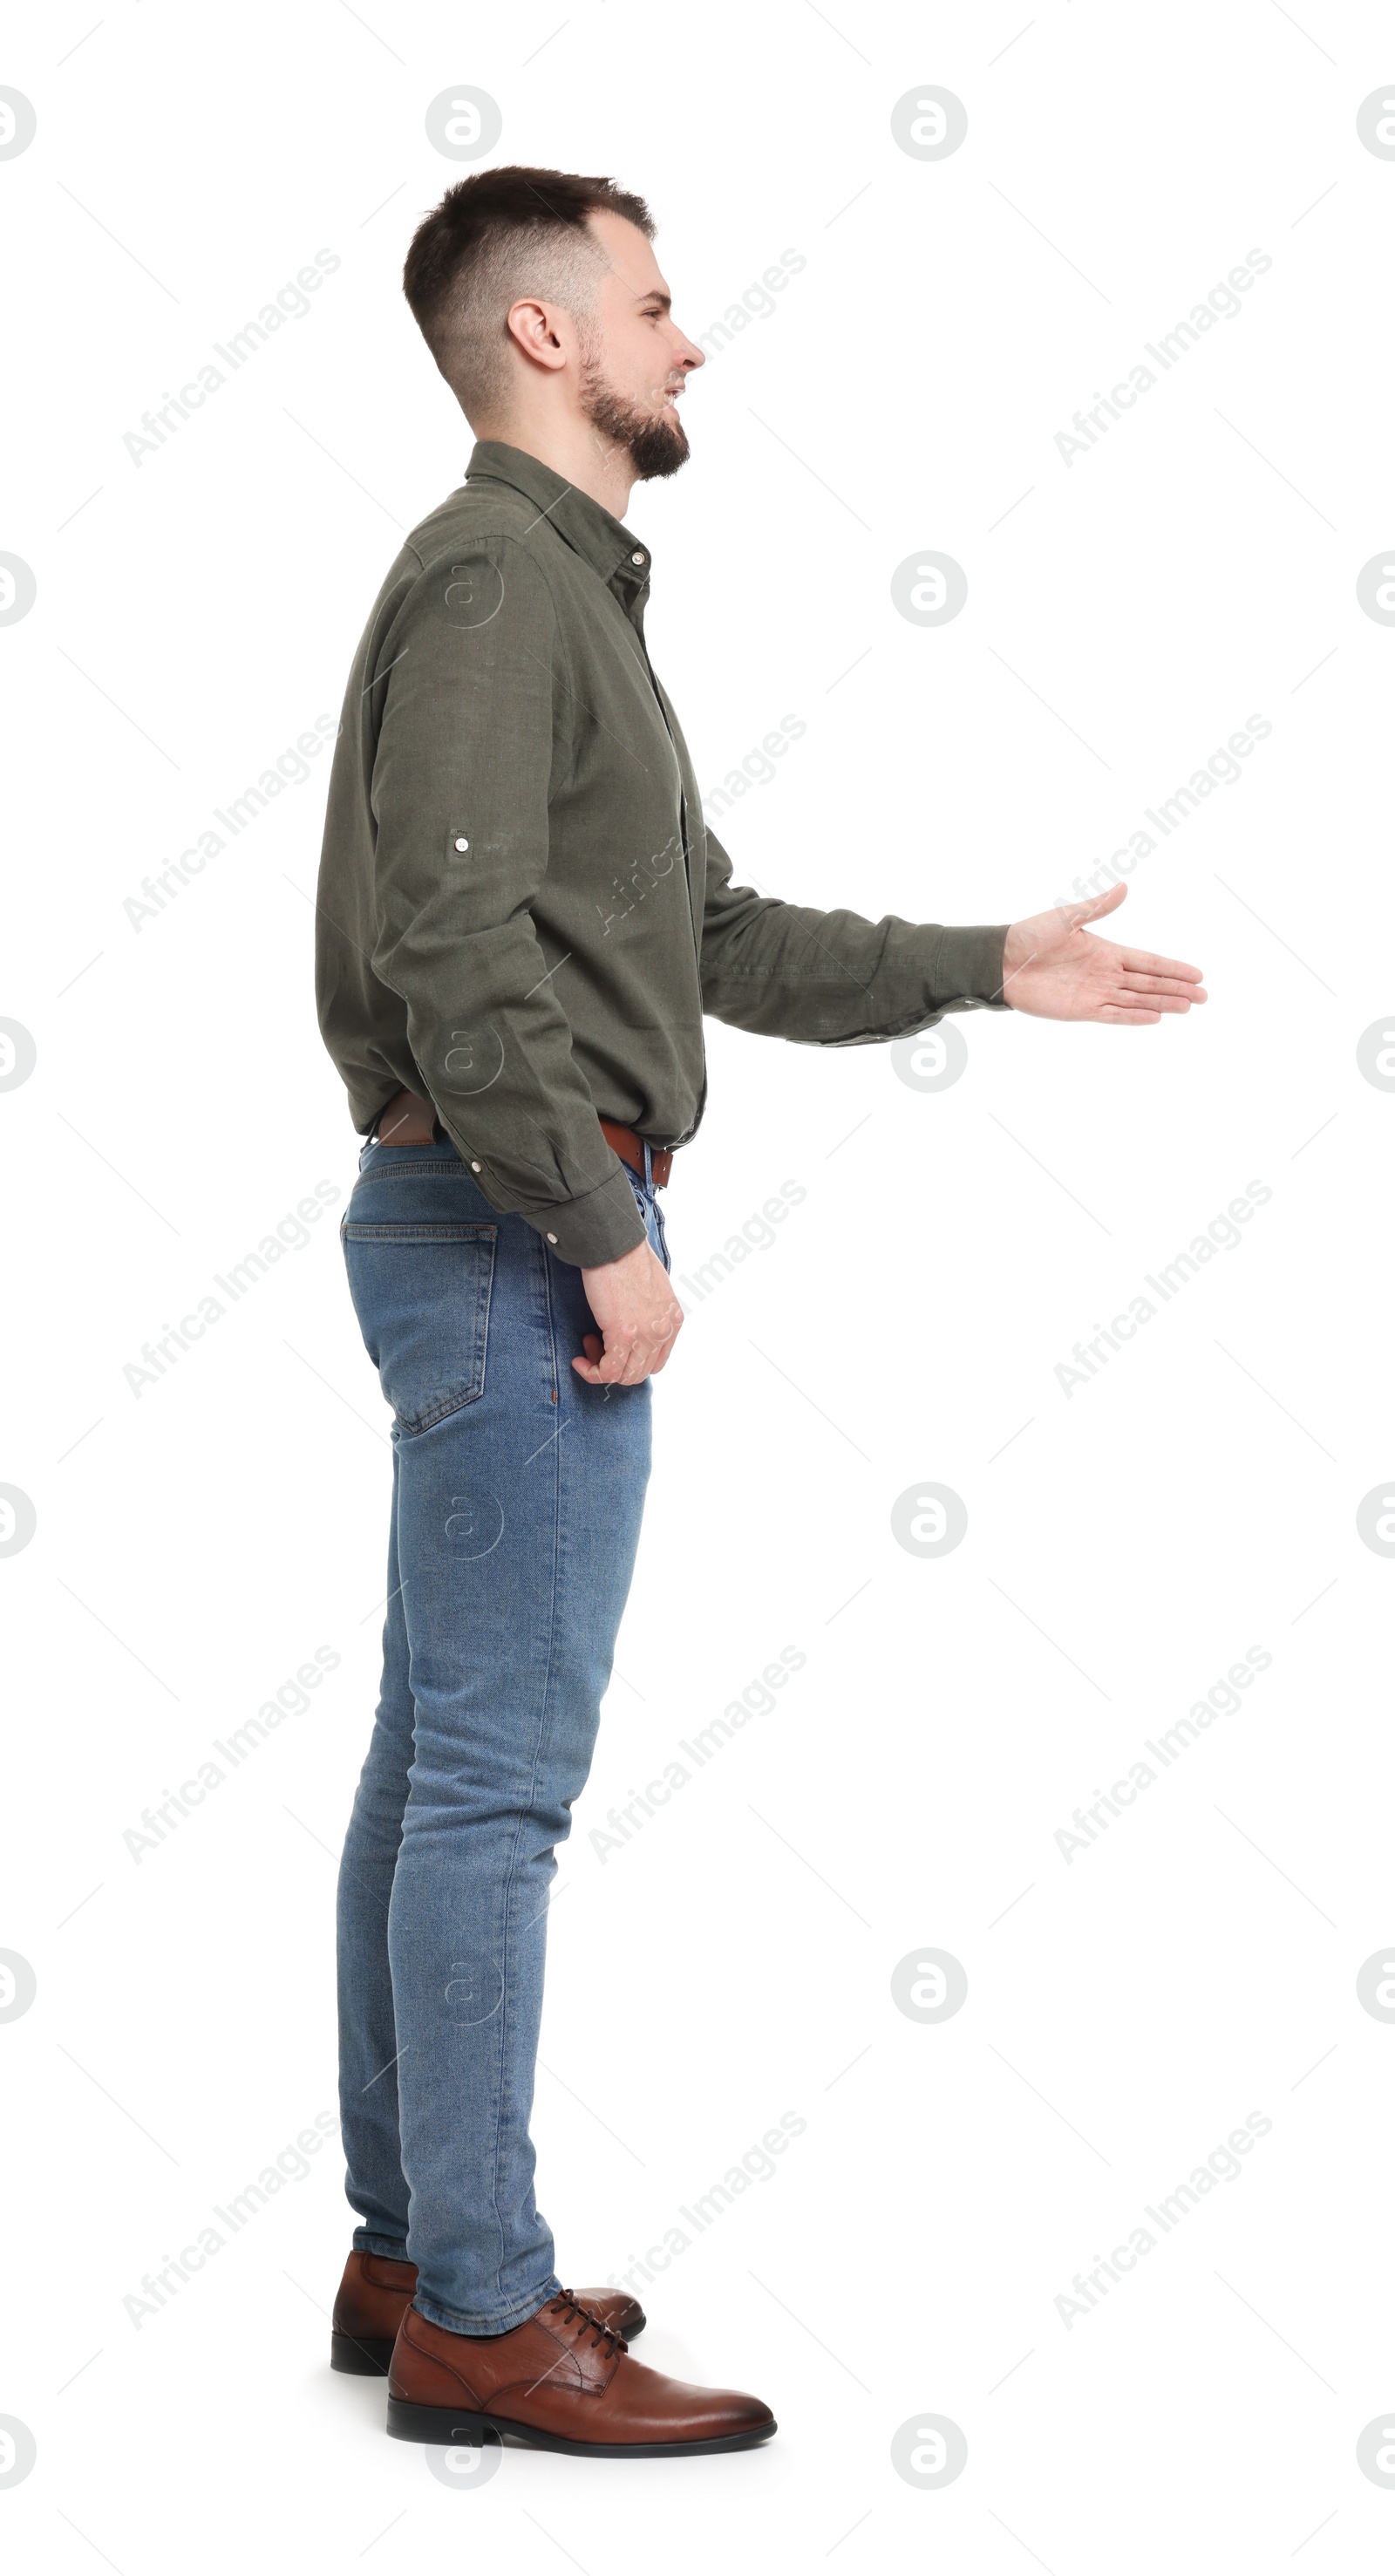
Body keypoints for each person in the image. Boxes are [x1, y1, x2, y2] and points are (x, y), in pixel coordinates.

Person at [313, 165, 1206, 2457]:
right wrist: (603, 1228)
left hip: (484, 1219)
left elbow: (691, 933)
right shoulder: (506, 582)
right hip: (518, 1230)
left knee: (437, 1756)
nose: (688, 340)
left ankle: (417, 2248)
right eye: (653, 300)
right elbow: (453, 945)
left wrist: (980, 962)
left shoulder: (552, 597)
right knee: (493, 1783)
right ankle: (483, 2320)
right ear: (542, 338)